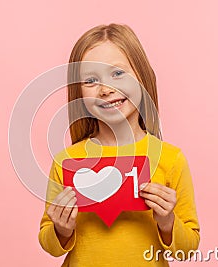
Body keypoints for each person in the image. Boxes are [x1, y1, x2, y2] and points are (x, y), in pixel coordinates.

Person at [38, 23, 200, 266]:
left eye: (117, 73)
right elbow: (49, 243)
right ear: (79, 94)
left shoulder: (171, 159)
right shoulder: (66, 162)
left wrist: (167, 222)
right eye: (91, 80)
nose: (105, 89)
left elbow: (187, 250)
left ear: (142, 77)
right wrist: (61, 230)